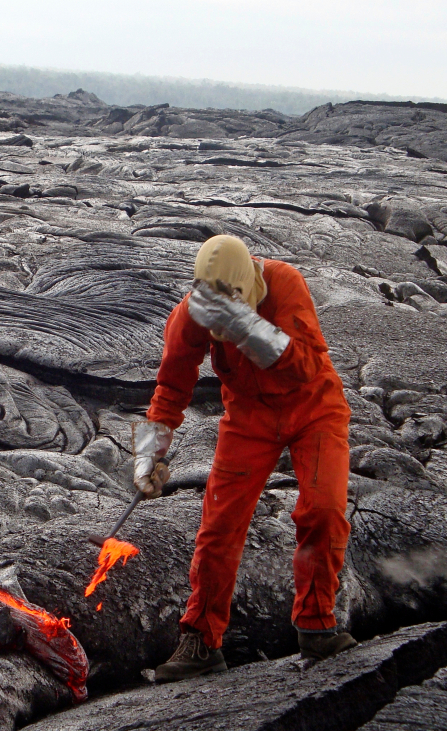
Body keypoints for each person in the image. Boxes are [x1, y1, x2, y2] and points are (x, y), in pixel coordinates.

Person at [134, 235, 357, 682]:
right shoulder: (191, 312)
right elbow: (171, 387)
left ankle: (316, 626)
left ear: (248, 285)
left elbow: (305, 366)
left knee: (324, 510)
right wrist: (147, 458)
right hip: (249, 418)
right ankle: (200, 641)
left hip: (313, 409)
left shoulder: (284, 282)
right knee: (219, 526)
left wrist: (243, 325)